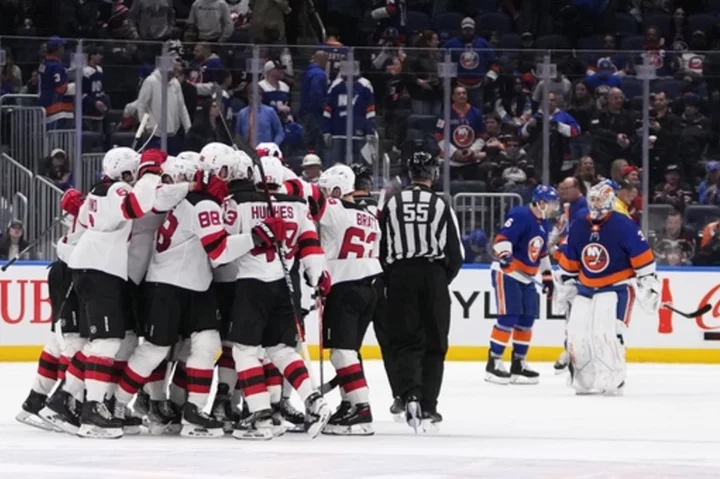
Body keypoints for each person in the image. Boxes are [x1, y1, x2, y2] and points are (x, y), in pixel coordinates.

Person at [58, 148, 162, 438]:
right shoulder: (115, 188)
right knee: (106, 342)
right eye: (135, 172)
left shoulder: (100, 189)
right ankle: (92, 410)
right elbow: (136, 208)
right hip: (99, 268)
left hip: (92, 266)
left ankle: (65, 398)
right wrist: (152, 174)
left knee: (105, 341)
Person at [226, 156, 332, 440]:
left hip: (252, 285)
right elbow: (311, 246)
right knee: (282, 351)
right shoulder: (299, 205)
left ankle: (260, 416)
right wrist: (317, 276)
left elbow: (221, 250)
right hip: (285, 286)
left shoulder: (240, 202)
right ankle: (314, 400)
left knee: (245, 352)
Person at [380, 151, 464, 432]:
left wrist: (395, 277)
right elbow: (456, 253)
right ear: (433, 174)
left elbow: (382, 249)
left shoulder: (392, 202)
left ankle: (410, 395)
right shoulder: (442, 203)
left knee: (406, 341)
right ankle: (429, 405)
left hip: (401, 276)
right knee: (435, 342)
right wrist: (440, 279)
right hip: (433, 275)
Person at [556, 182, 659, 395]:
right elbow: (570, 262)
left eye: (600, 200)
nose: (596, 205)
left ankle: (614, 380)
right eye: (592, 200)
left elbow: (643, 260)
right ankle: (583, 382)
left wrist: (648, 283)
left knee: (606, 333)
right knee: (577, 335)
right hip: (585, 288)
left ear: (610, 201)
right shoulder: (579, 225)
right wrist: (565, 285)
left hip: (616, 287)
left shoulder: (624, 225)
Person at [314, 164, 382, 435]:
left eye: (327, 189)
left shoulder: (335, 210)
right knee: (350, 351)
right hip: (370, 287)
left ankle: (361, 408)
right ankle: (348, 403)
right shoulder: (370, 215)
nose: (323, 194)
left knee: (342, 352)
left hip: (344, 287)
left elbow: (311, 202)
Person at [17, 190, 86, 431]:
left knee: (57, 341)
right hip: (70, 271)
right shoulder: (85, 219)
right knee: (72, 342)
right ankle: (63, 401)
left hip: (61, 270)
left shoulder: (74, 219)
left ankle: (34, 400)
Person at [486, 185, 558, 386]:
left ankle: (518, 363)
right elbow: (503, 239)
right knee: (509, 316)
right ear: (541, 202)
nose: (554, 207)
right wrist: (506, 255)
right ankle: (494, 362)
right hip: (508, 273)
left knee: (527, 319)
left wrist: (547, 278)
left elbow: (541, 254)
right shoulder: (521, 215)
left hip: (526, 277)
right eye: (552, 203)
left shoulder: (543, 223)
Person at [136, 58, 192, 156]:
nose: (176, 73)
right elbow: (141, 105)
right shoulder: (151, 81)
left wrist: (188, 128)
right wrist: (146, 126)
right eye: (174, 69)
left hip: (173, 135)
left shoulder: (175, 83)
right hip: (155, 136)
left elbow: (182, 107)